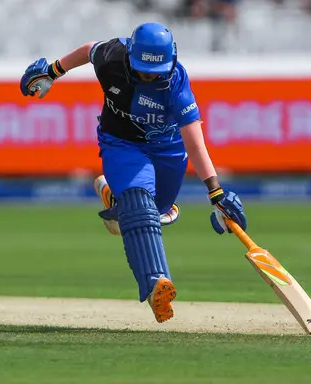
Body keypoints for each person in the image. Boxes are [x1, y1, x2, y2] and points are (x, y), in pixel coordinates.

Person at [19, 22, 247, 323]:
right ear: (131, 59)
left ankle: (114, 199)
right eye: (144, 70)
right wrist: (53, 70)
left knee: (157, 211)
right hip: (122, 144)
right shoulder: (112, 56)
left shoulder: (177, 83)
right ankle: (156, 284)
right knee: (140, 205)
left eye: (157, 71)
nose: (151, 76)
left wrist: (215, 192)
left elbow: (195, 143)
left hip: (168, 149)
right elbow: (89, 50)